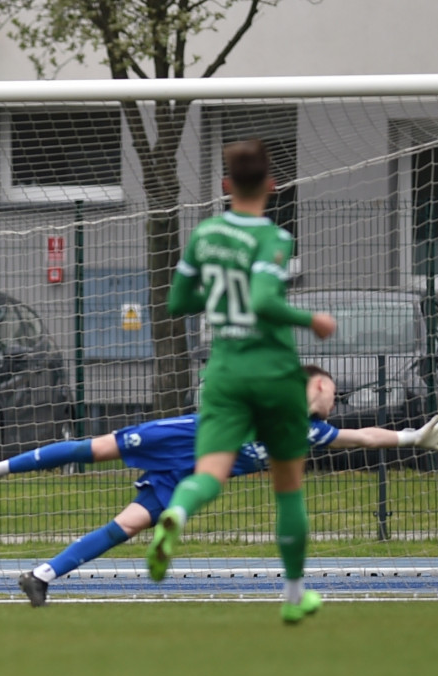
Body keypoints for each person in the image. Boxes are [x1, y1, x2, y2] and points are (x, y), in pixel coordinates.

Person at [10, 365, 438, 607]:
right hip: (181, 439)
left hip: (192, 474)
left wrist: (412, 437)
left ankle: (42, 576)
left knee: (127, 525)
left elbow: (365, 436)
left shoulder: (307, 433)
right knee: (92, 449)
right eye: (332, 392)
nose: (335, 401)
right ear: (315, 385)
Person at [145, 138, 339, 623]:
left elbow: (175, 303)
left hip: (224, 372)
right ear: (272, 186)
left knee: (208, 471)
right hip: (273, 372)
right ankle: (294, 598)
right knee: (288, 485)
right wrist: (311, 318)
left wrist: (215, 296)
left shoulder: (204, 234)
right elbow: (263, 299)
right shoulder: (274, 237)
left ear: (226, 185)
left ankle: (177, 515)